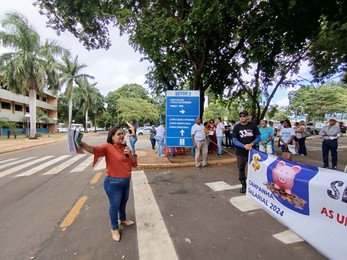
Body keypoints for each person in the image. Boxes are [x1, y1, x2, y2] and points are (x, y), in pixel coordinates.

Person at [79, 126, 138, 242]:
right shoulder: (108, 147)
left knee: (123, 202)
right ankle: (114, 228)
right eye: (119, 134)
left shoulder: (125, 147)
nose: (122, 136)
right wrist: (81, 144)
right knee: (114, 206)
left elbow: (134, 163)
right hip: (113, 183)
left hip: (126, 182)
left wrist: (130, 154)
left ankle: (123, 218)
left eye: (122, 134)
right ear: (112, 137)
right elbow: (94, 149)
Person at [232, 110, 260, 193]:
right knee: (241, 168)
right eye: (240, 116)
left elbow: (258, 137)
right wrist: (244, 146)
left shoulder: (253, 126)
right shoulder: (236, 127)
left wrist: (251, 144)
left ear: (247, 117)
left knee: (255, 168)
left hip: (252, 151)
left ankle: (255, 185)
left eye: (244, 116)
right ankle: (243, 184)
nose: (242, 118)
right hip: (241, 152)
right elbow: (234, 140)